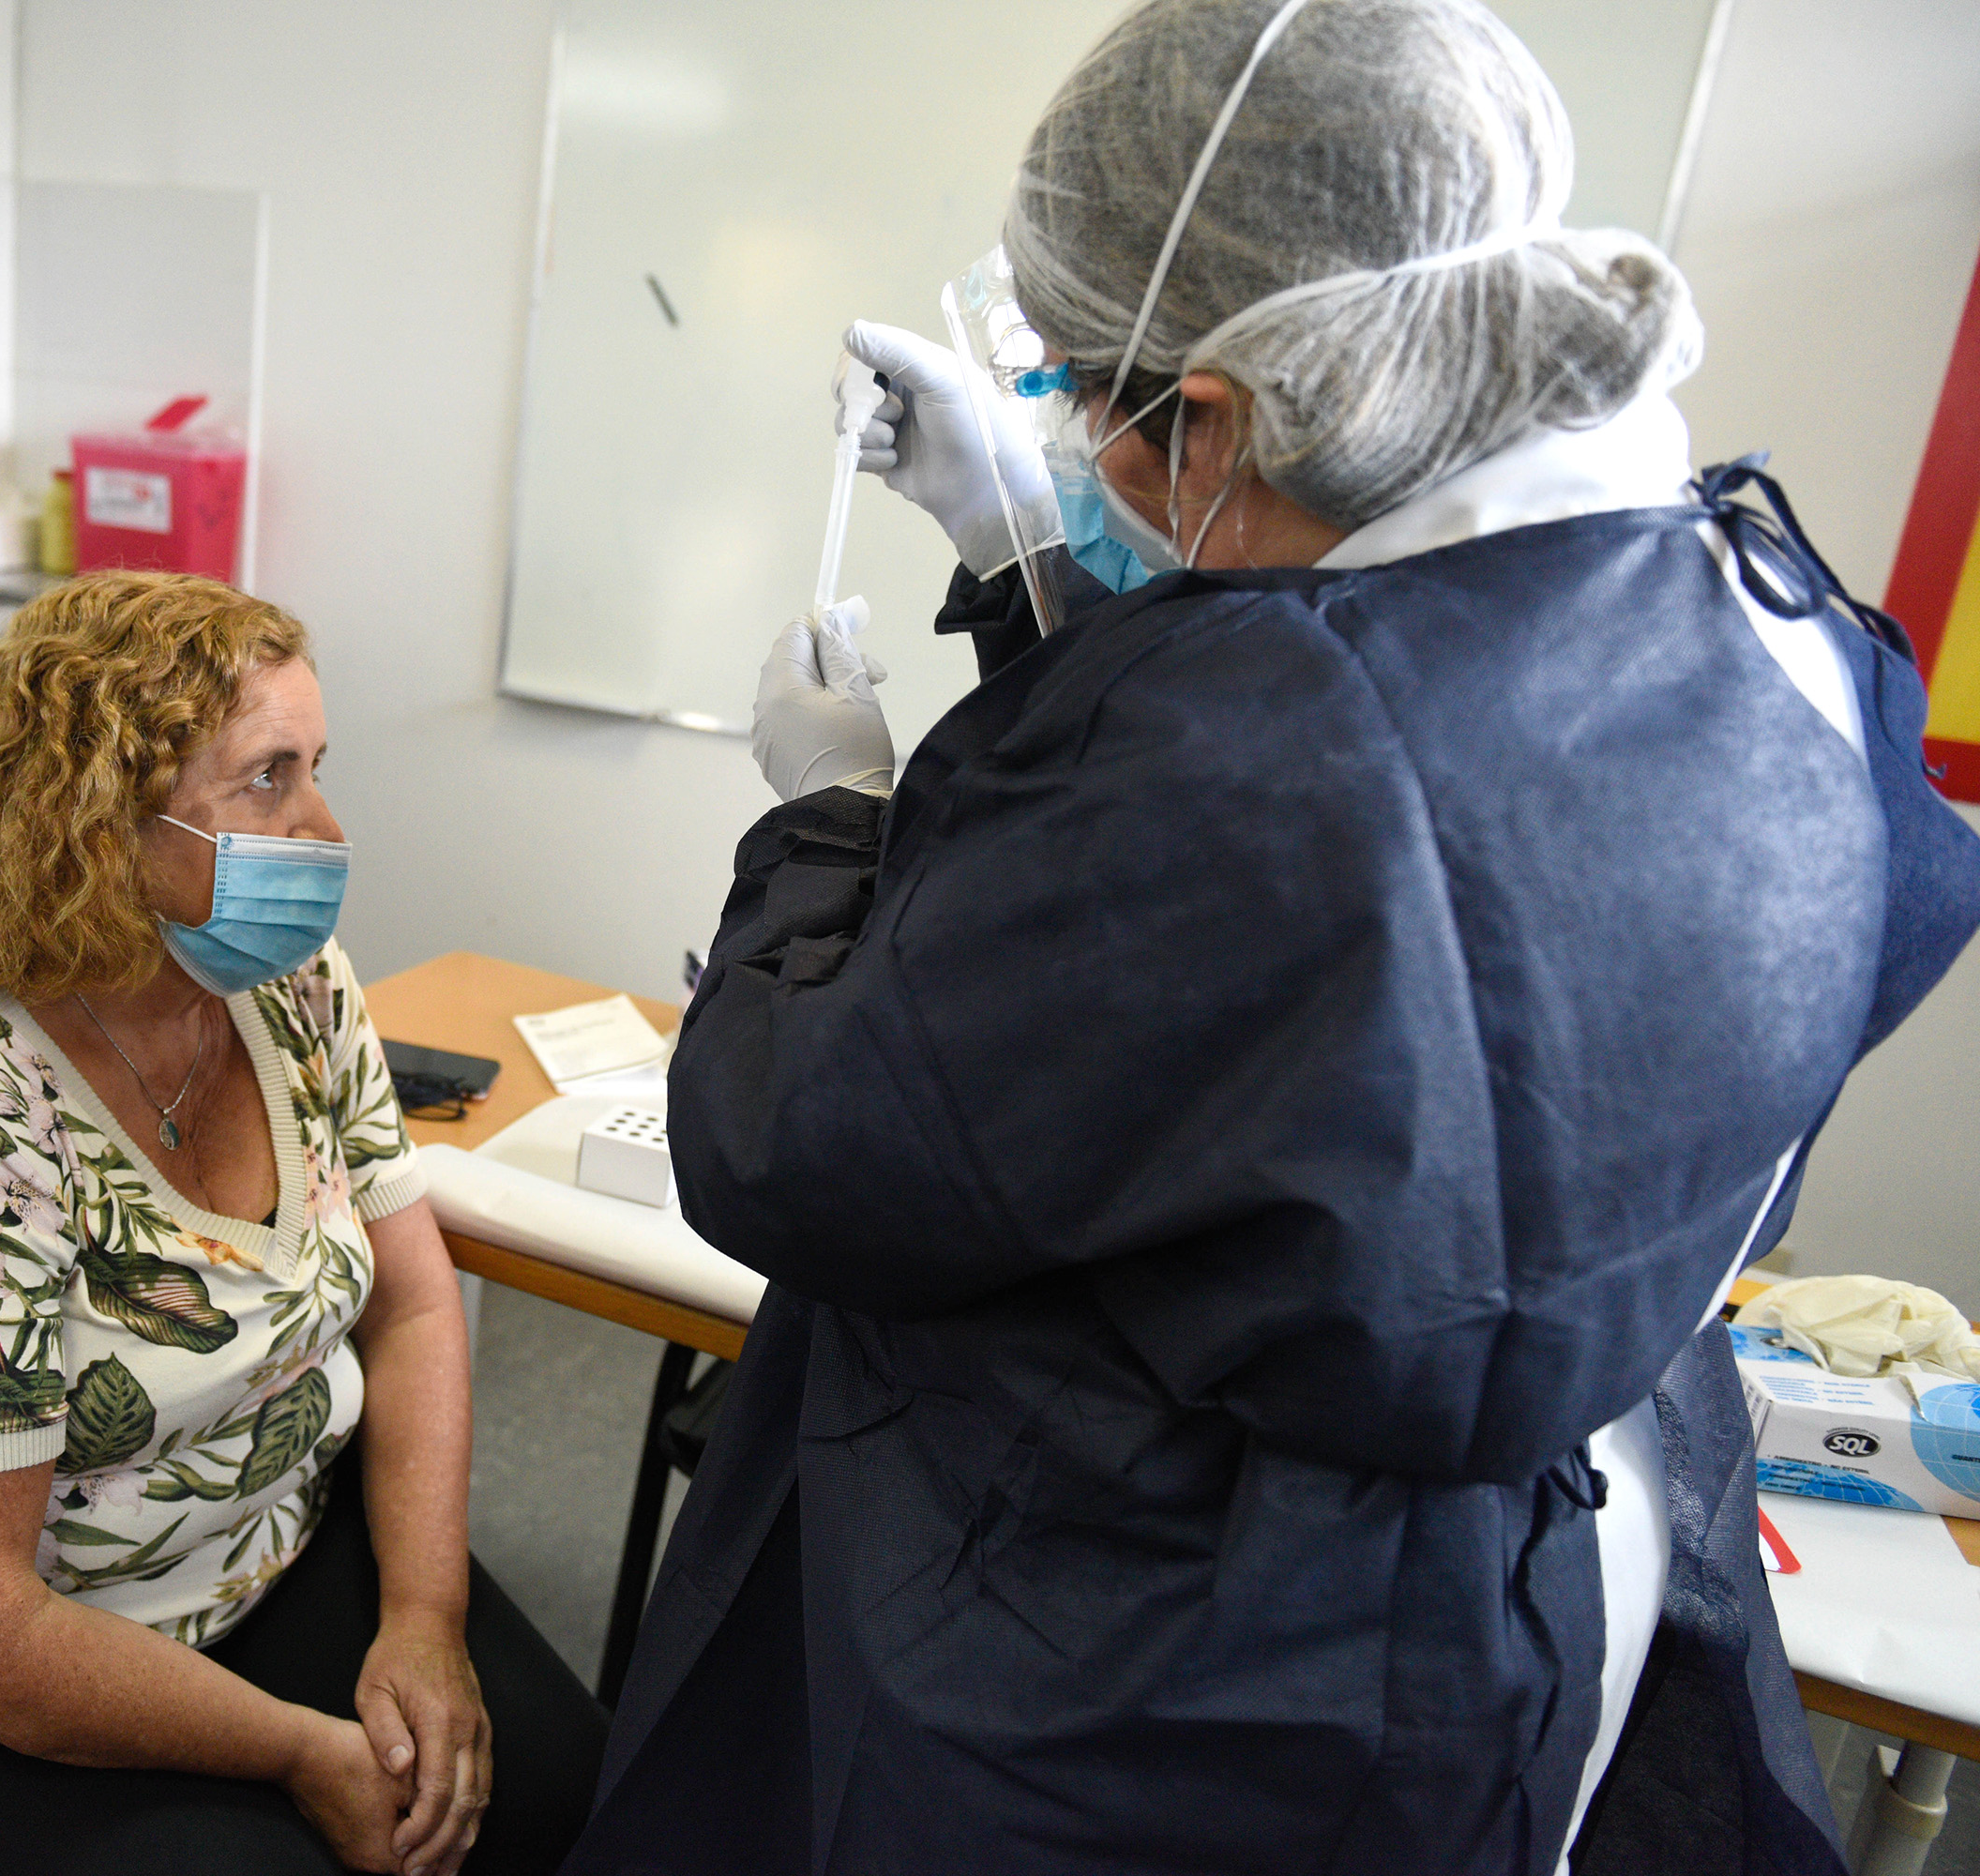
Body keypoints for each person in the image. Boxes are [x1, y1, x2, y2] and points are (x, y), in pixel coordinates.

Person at [565, 2, 1980, 1873]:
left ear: (1219, 413)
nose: (1066, 432)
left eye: (1079, 396)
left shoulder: (1260, 775)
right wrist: (1031, 555)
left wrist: (824, 817)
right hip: (1547, 1574)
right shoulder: (1772, 617)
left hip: (1163, 1654)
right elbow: (1319, 905)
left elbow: (791, 1133)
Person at [0, 571, 605, 1876]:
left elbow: (413, 1302)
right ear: (95, 823)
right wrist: (295, 1748)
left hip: (233, 1543)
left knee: (564, 1795)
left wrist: (425, 1621)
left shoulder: (291, 990)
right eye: (269, 779)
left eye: (318, 766)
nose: (325, 828)